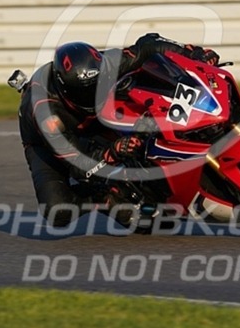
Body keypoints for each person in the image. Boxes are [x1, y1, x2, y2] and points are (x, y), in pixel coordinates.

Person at [14, 33, 220, 227]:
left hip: (99, 115)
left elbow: (149, 45)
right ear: (64, 90)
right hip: (49, 142)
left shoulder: (107, 64)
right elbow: (76, 162)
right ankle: (102, 198)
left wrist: (195, 54)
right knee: (57, 210)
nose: (91, 94)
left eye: (96, 85)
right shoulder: (47, 115)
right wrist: (112, 152)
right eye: (84, 92)